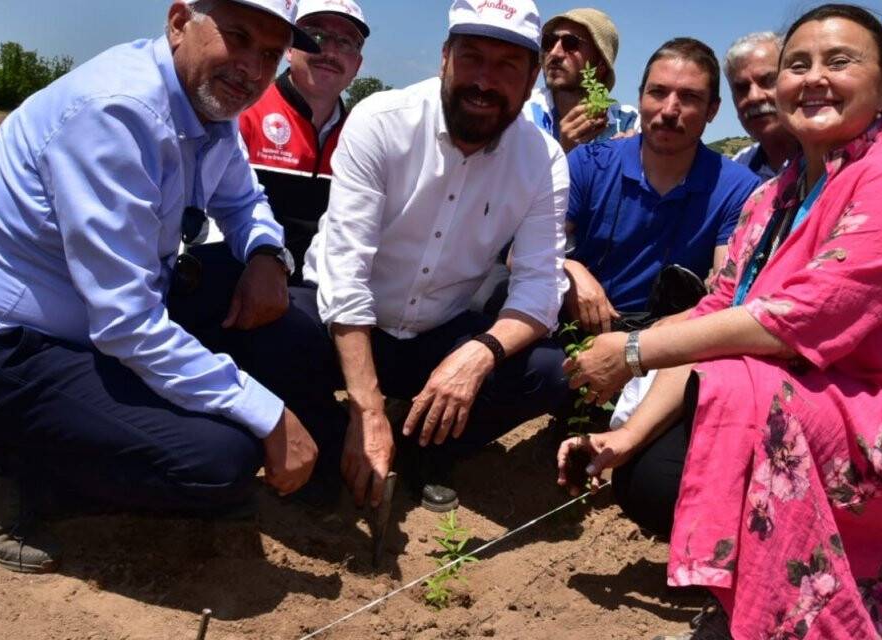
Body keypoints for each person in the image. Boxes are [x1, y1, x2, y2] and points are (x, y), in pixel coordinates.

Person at [559, 4, 882, 638]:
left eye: (839, 61)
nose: (814, 77)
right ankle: (806, 595)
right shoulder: (774, 196)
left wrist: (631, 352)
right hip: (828, 407)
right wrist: (624, 437)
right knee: (653, 472)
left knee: (739, 398)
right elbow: (721, 309)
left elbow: (797, 319)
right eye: (798, 65)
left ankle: (807, 608)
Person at [0, 0, 338, 574]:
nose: (252, 69)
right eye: (236, 37)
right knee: (219, 462)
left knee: (292, 318)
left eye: (269, 53)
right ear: (180, 22)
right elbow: (127, 324)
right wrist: (269, 415)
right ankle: (7, 469)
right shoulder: (117, 112)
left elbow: (243, 200)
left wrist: (266, 256)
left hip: (95, 315)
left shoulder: (210, 108)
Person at [300, 0, 570, 512]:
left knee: (548, 371)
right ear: (445, 56)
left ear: (532, 77)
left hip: (439, 334)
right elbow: (345, 270)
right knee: (271, 335)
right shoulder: (381, 120)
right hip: (342, 326)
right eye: (472, 57)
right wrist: (367, 406)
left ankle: (423, 449)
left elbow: (540, 288)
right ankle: (337, 435)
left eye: (507, 65)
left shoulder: (543, 158)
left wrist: (478, 355)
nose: (485, 81)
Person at [562, 38, 760, 336]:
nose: (669, 110)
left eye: (689, 97)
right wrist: (569, 270)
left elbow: (725, 294)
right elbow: (521, 256)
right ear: (640, 97)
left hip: (672, 342)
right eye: (658, 92)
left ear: (712, 110)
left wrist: (642, 346)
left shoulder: (738, 188)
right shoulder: (588, 163)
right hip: (575, 331)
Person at [230, 0, 369, 280]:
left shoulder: (363, 138)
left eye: (345, 42)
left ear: (357, 65)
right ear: (289, 49)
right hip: (241, 278)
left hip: (327, 290)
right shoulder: (242, 114)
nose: (329, 52)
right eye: (316, 35)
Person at [522, 8, 638, 153]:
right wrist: (565, 153)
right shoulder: (523, 113)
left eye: (570, 43)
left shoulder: (628, 121)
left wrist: (632, 157)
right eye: (549, 42)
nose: (554, 53)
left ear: (601, 65)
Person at [724, 31, 800, 182]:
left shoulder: (830, 160)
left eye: (768, 81)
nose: (754, 96)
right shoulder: (737, 172)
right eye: (741, 88)